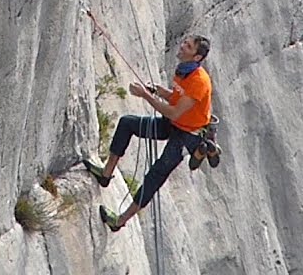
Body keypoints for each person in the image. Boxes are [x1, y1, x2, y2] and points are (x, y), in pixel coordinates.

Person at [82, 35, 214, 232]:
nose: (182, 46)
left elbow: (173, 111)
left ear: (196, 57)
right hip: (176, 124)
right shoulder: (184, 71)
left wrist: (145, 95)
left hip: (189, 135)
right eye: (184, 42)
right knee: (127, 123)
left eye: (188, 46)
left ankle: (119, 221)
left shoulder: (199, 82)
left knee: (155, 175)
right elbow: (176, 98)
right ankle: (106, 174)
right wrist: (160, 92)